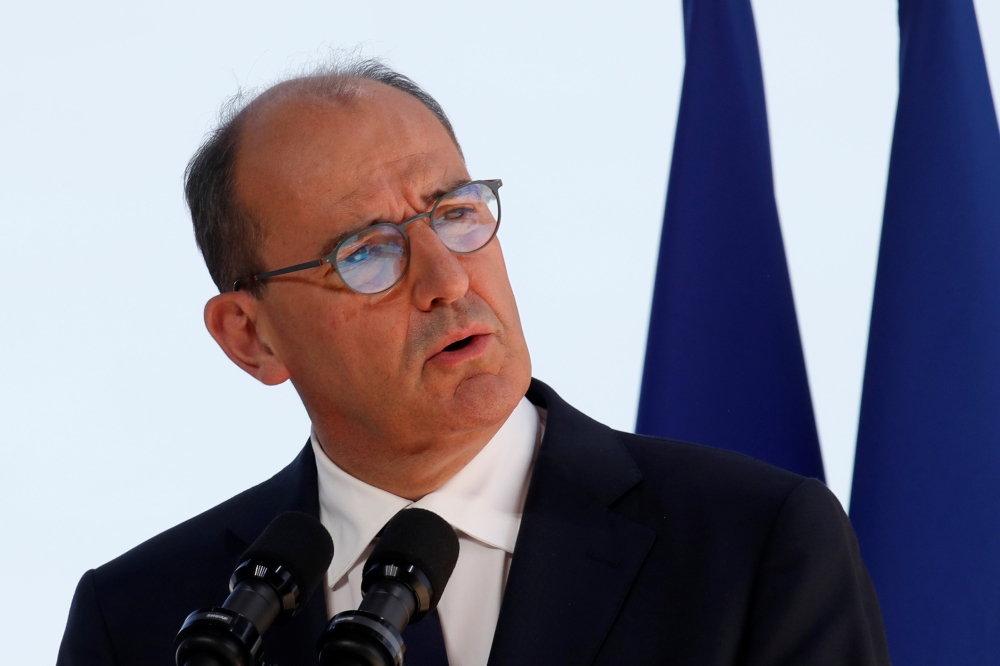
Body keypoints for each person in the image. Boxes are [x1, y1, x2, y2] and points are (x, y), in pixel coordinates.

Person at [57, 59, 890, 666]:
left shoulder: (755, 546)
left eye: (455, 213)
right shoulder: (142, 620)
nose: (449, 278)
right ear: (252, 337)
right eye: (367, 252)